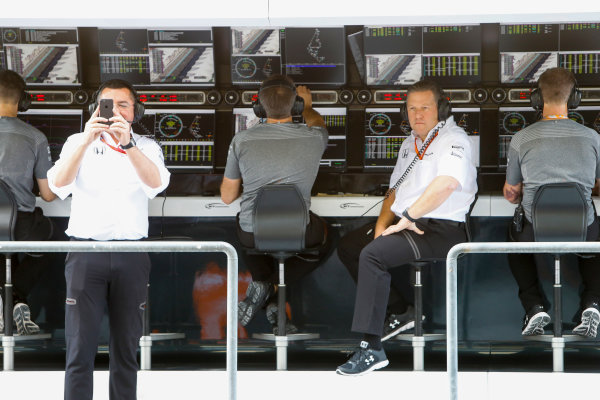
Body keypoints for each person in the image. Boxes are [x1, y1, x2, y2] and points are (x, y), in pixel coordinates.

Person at [336, 80, 477, 376]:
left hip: (441, 230)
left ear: (442, 108)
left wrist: (409, 216)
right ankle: (401, 312)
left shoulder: (455, 139)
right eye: (412, 108)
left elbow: (447, 183)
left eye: (425, 107)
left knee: (373, 256)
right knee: (352, 246)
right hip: (408, 221)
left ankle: (371, 348)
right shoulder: (409, 143)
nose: (418, 114)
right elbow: (394, 191)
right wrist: (380, 227)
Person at [47, 79, 170, 400]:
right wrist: (86, 141)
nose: (115, 111)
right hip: (86, 252)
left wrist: (128, 145)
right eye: (108, 104)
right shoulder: (77, 141)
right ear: (95, 109)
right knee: (79, 348)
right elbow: (57, 185)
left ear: (135, 112)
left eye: (124, 105)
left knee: (126, 349)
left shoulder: (146, 145)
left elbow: (156, 184)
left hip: (130, 253)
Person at [221, 74, 329, 333]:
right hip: (299, 231)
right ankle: (270, 288)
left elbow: (227, 196)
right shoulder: (315, 137)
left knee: (248, 227)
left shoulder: (241, 140)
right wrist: (310, 107)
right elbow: (319, 123)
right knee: (328, 238)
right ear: (297, 107)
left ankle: (264, 283)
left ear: (258, 108)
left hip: (252, 233)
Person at [503, 67, 600, 338]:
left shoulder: (521, 138)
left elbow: (510, 192)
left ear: (537, 99)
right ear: (575, 98)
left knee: (509, 237)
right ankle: (592, 303)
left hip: (534, 232)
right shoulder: (593, 138)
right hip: (583, 232)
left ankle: (534, 306)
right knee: (597, 238)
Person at [0, 69, 57, 335]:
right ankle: (16, 297)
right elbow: (47, 195)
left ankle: (4, 301)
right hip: (20, 223)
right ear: (23, 101)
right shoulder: (36, 138)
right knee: (45, 245)